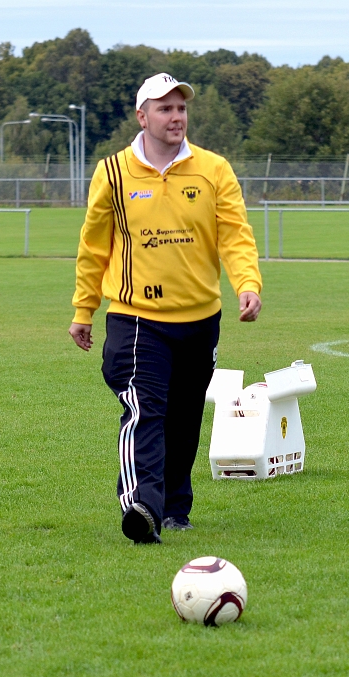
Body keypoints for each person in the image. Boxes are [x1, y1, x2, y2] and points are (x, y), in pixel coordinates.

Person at [69, 72, 262, 544]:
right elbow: (94, 247)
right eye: (164, 109)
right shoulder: (112, 173)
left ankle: (176, 507)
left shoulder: (213, 169)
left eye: (181, 109)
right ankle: (141, 506)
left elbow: (234, 234)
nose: (175, 117)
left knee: (184, 418)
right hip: (137, 319)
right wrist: (83, 308)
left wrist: (247, 284)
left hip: (200, 320)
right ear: (142, 116)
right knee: (145, 409)